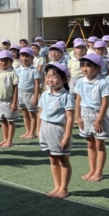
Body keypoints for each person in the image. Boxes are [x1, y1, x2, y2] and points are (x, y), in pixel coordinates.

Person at [37, 64, 75, 199]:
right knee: (52, 159)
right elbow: (40, 112)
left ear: (64, 79)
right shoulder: (45, 94)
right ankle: (57, 186)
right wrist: (38, 129)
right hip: (45, 128)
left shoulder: (67, 96)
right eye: (48, 76)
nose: (50, 79)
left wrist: (67, 136)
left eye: (54, 76)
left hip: (59, 129)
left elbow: (70, 119)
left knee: (63, 160)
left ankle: (64, 188)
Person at [74, 53, 109, 182]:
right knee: (90, 144)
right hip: (85, 115)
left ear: (99, 68)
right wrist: (77, 116)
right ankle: (92, 169)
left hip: (97, 115)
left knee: (99, 145)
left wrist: (99, 119)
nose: (84, 68)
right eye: (82, 65)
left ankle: (99, 172)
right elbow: (78, 100)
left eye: (89, 66)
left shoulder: (102, 82)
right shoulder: (80, 81)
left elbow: (105, 102)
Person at [0, 50, 19, 148]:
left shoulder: (12, 73)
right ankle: (5, 139)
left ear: (11, 62)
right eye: (1, 60)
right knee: (3, 120)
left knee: (10, 121)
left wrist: (14, 102)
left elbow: (16, 89)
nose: (3, 63)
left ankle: (10, 140)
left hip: (9, 100)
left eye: (6, 61)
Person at [16, 47, 41, 139]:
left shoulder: (34, 70)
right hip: (20, 93)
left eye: (27, 56)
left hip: (30, 94)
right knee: (25, 113)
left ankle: (32, 132)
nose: (24, 58)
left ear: (32, 58)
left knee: (32, 114)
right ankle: (27, 131)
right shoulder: (18, 70)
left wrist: (35, 97)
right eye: (22, 56)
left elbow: (37, 85)